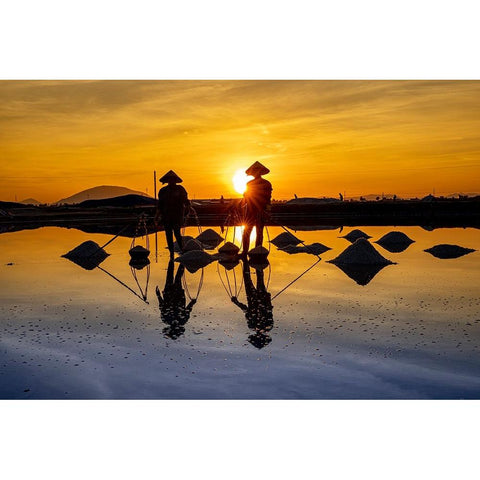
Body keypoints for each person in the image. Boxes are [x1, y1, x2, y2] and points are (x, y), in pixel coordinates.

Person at [231, 258, 274, 349]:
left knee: (259, 278)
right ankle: (246, 260)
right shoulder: (253, 326)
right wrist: (237, 302)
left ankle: (252, 259)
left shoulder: (268, 326)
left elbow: (269, 309)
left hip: (259, 298)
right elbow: (246, 310)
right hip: (253, 298)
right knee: (248, 278)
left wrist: (268, 298)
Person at [156, 260, 196, 339]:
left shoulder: (179, 321)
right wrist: (158, 296)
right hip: (173, 294)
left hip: (173, 295)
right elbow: (162, 306)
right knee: (171, 275)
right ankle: (180, 260)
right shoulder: (167, 320)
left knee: (175, 277)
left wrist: (192, 303)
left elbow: (162, 306)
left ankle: (182, 261)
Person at [154, 170, 190, 258]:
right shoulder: (163, 191)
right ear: (167, 181)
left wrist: (187, 211)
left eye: (173, 180)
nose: (171, 181)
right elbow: (160, 205)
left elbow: (186, 201)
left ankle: (183, 250)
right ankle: (171, 253)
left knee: (177, 233)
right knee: (168, 234)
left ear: (175, 180)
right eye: (170, 180)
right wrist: (157, 216)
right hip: (166, 216)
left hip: (177, 215)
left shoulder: (180, 189)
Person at [240, 161, 272, 255]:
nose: (255, 173)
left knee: (259, 232)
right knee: (247, 232)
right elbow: (247, 198)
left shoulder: (266, 184)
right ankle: (245, 252)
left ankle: (257, 252)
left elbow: (268, 199)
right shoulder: (249, 184)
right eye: (254, 171)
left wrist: (267, 211)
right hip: (250, 211)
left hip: (260, 210)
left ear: (261, 172)